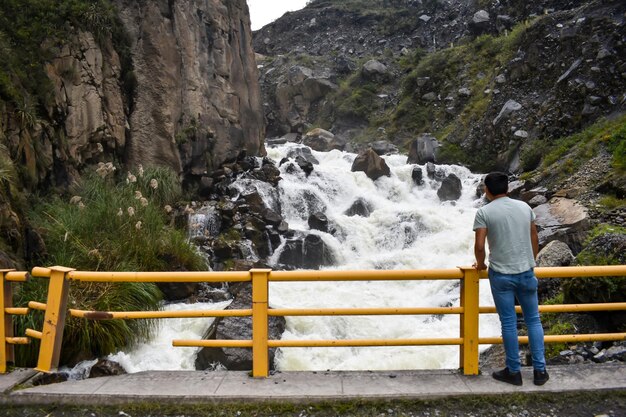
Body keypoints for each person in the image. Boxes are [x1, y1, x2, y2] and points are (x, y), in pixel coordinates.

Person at [472, 172, 549, 386]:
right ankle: (540, 371)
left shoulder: (484, 212)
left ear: (487, 191)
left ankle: (514, 372)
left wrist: (480, 265)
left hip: (501, 275)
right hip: (526, 271)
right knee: (534, 319)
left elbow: (479, 246)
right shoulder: (525, 208)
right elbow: (534, 236)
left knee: (508, 323)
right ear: (507, 188)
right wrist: (530, 260)